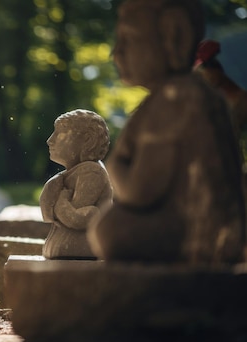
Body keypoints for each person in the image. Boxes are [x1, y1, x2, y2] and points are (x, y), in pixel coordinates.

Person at [87, 0, 245, 264]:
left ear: (174, 35)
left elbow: (141, 191)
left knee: (109, 229)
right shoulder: (194, 94)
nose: (117, 53)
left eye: (128, 39)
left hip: (196, 233)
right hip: (221, 230)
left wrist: (114, 165)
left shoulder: (174, 99)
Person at [39, 109, 112, 259]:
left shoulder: (92, 172)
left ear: (88, 141)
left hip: (80, 249)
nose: (50, 140)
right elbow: (48, 214)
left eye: (59, 133)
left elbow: (77, 218)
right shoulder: (76, 172)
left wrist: (60, 201)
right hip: (67, 248)